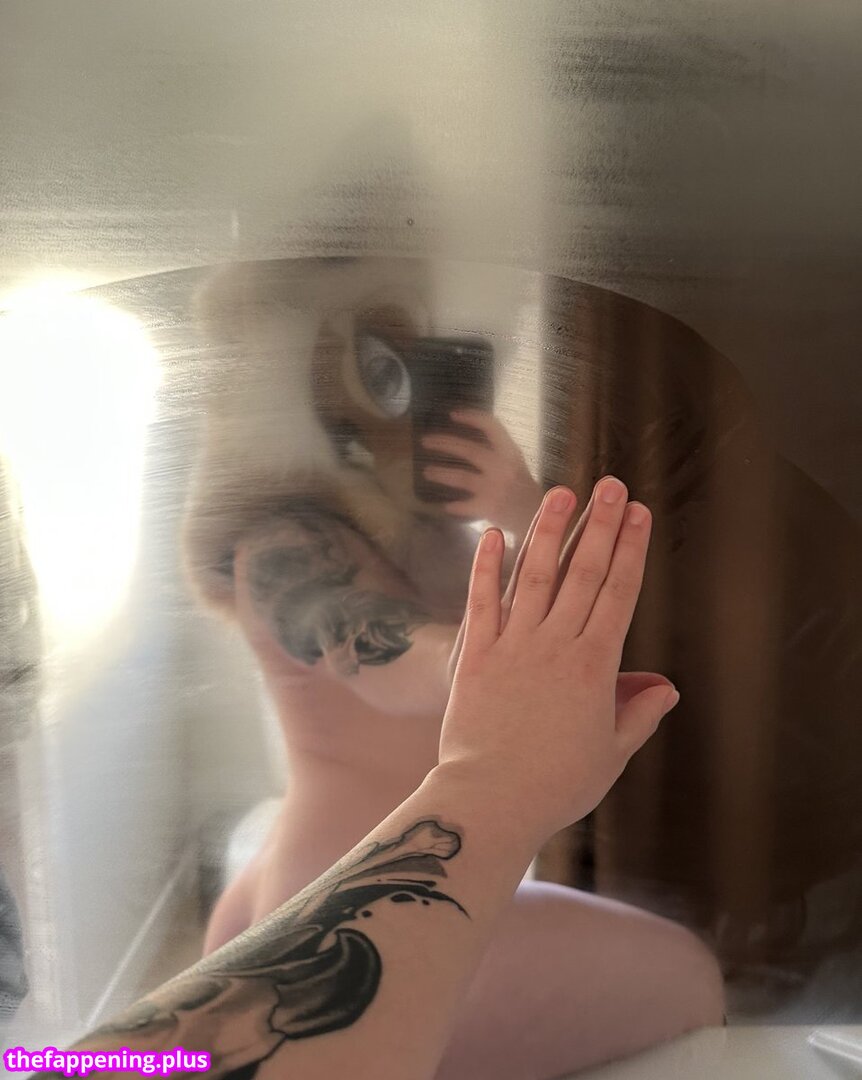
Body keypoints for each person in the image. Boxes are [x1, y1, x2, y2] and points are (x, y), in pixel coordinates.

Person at [29, 479, 724, 1080]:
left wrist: (517, 502)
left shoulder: (407, 512)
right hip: (345, 888)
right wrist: (464, 668)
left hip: (326, 873)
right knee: (690, 974)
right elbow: (362, 637)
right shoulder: (285, 537)